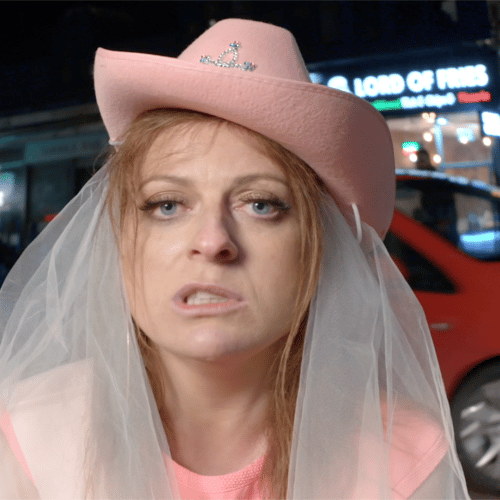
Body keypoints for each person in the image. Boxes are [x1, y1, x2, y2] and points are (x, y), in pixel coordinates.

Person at [0, 18, 470, 499]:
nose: (212, 241)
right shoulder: (34, 434)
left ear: (318, 245)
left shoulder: (402, 459)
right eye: (166, 205)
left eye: (261, 204)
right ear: (119, 239)